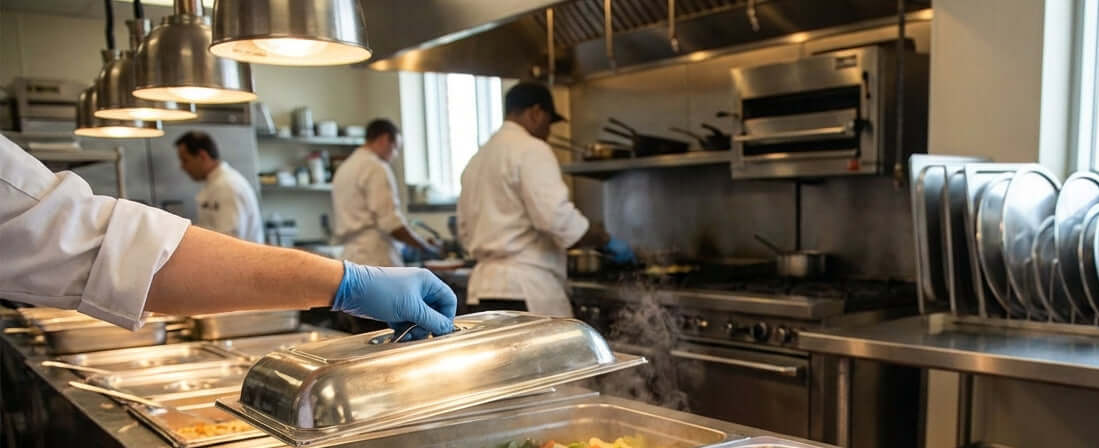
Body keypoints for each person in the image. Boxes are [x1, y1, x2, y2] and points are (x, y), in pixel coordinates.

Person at [0, 134, 455, 337]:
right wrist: (346, 282)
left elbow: (101, 246)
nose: (182, 169)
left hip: (234, 297)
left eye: (184, 159)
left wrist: (346, 282)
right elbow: (100, 247)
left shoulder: (231, 186)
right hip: (221, 292)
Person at [458, 81, 635, 317]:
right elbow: (555, 218)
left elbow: (464, 231)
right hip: (525, 291)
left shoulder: (477, 159)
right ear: (536, 113)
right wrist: (605, 241)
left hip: (482, 293)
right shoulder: (532, 149)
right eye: (549, 123)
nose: (549, 132)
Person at [332, 119, 437, 268]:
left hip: (350, 260)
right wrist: (424, 246)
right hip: (375, 257)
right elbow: (390, 222)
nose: (394, 156)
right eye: (395, 148)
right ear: (384, 139)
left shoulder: (345, 168)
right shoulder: (375, 167)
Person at [173, 130, 264, 243]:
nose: (182, 167)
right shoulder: (216, 183)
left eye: (185, 160)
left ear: (202, 156)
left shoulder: (227, 186)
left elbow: (229, 240)